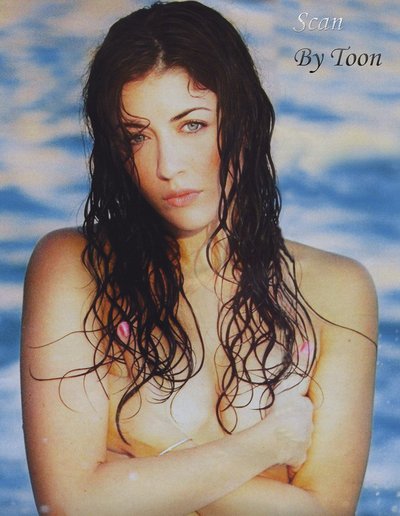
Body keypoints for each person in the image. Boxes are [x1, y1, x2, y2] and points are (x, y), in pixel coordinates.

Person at [20, 1, 377, 515]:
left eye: (192, 125)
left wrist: (127, 475)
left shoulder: (337, 288)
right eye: (137, 136)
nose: (167, 166)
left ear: (243, 121)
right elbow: (69, 505)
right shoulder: (74, 267)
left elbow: (325, 511)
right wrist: (263, 447)